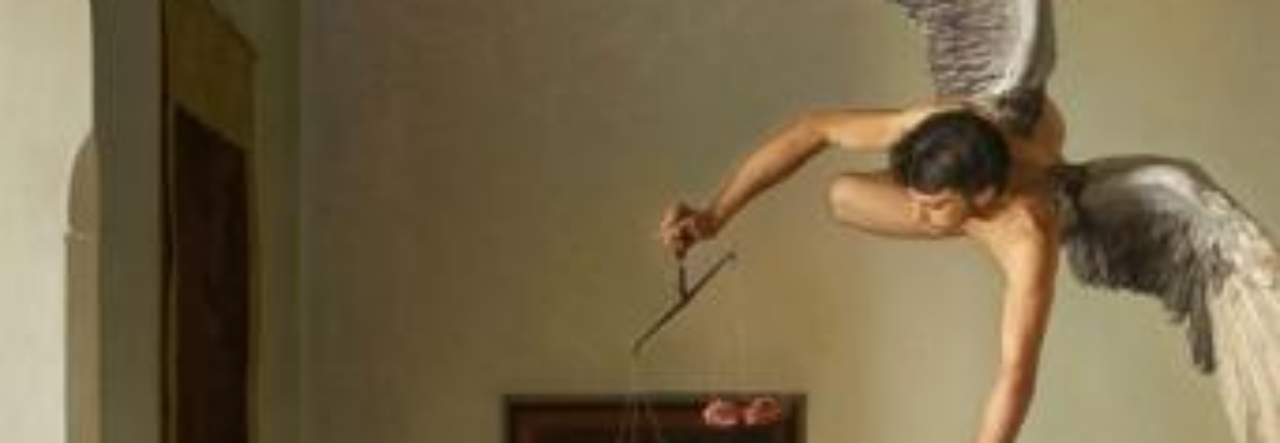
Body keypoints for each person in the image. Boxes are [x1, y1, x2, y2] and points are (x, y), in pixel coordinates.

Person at [657, 97, 1067, 443]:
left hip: (1027, 186)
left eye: (934, 205)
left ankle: (989, 207)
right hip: (985, 132)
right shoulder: (933, 124)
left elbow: (1016, 373)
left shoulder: (1029, 235)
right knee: (844, 196)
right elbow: (813, 128)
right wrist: (714, 215)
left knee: (996, 212)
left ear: (983, 194)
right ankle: (936, 199)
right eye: (914, 201)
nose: (918, 216)